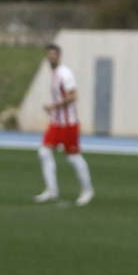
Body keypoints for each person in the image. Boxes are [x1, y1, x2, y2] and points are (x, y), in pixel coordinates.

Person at [34, 44, 95, 207]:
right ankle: (52, 189)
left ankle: (87, 190)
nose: (51, 57)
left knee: (73, 157)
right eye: (49, 54)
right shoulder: (53, 74)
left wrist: (53, 106)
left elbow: (73, 96)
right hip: (56, 122)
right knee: (44, 152)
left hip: (69, 123)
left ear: (59, 56)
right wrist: (53, 111)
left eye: (54, 54)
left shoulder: (64, 73)